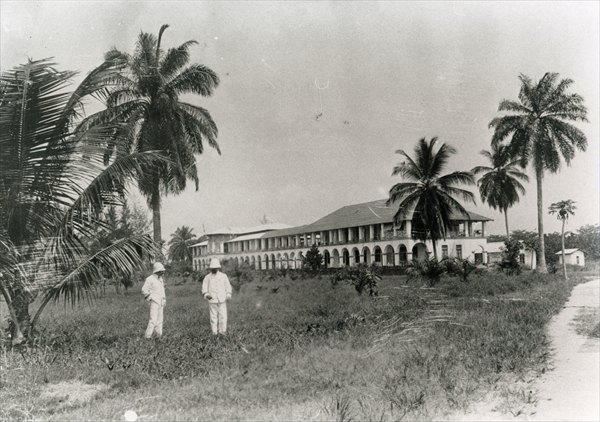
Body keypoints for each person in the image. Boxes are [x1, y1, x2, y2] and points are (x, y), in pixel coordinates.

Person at [202, 258, 232, 335]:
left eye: (215, 268)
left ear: (218, 268)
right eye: (212, 268)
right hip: (212, 300)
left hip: (222, 299)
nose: (213, 270)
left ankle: (222, 331)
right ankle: (214, 332)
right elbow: (204, 287)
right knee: (213, 317)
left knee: (223, 316)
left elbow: (228, 286)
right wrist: (206, 294)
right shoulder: (207, 277)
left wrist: (228, 294)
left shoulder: (223, 276)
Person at [141, 262, 166, 339]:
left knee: (160, 320)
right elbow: (144, 290)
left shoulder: (160, 279)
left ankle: (158, 335)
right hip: (154, 301)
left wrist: (164, 299)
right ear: (157, 271)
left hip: (161, 301)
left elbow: (162, 290)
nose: (163, 272)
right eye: (161, 271)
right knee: (153, 320)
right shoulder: (150, 279)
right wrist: (150, 298)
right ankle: (147, 336)